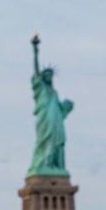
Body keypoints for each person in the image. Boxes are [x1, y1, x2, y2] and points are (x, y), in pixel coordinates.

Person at [28, 34, 73, 176]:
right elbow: (35, 70)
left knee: (55, 141)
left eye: (51, 75)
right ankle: (44, 164)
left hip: (56, 121)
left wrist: (67, 106)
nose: (49, 76)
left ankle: (54, 166)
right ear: (43, 77)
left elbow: (61, 109)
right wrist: (35, 51)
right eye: (46, 74)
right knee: (43, 141)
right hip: (44, 119)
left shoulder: (54, 92)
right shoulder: (40, 87)